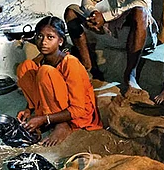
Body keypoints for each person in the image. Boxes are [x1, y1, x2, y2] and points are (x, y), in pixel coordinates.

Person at [16, 16, 102, 146]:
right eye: (40, 36)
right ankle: (39, 113)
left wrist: (44, 119)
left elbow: (79, 109)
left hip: (75, 114)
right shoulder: (40, 60)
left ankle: (62, 124)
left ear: (60, 41)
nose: (44, 42)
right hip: (52, 108)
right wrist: (28, 109)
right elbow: (37, 88)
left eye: (50, 37)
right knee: (25, 67)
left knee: (46, 72)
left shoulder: (70, 63)